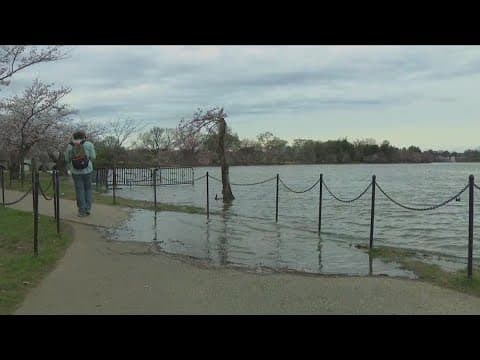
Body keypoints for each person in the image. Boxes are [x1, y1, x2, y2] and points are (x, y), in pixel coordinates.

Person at [64, 130, 96, 217]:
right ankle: (88, 209)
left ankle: (81, 211)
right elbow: (93, 157)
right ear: (84, 137)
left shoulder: (70, 146)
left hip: (75, 171)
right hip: (88, 170)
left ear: (74, 137)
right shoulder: (89, 144)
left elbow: (66, 159)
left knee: (79, 190)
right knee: (88, 189)